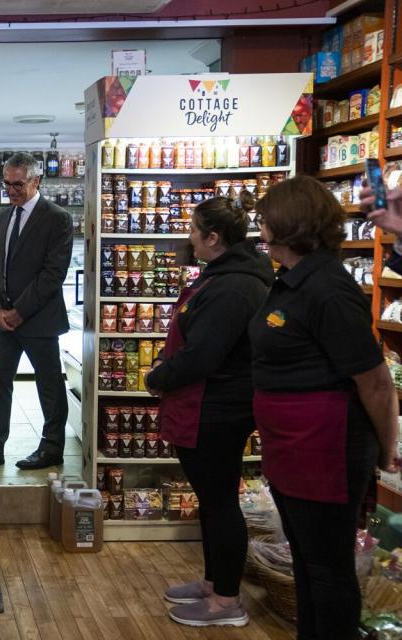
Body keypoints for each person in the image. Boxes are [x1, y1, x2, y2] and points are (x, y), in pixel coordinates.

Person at [250, 175, 400, 639]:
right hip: (295, 448)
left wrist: (386, 447)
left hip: (325, 450)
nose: (261, 230)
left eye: (267, 221)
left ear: (291, 225)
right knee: (309, 564)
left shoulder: (329, 290)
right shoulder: (294, 279)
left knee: (328, 570)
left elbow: (375, 382)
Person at [143, 193, 273, 628]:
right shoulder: (224, 275)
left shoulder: (235, 286)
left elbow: (205, 355)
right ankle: (214, 582)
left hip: (217, 408)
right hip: (207, 404)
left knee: (220, 503)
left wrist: (157, 376)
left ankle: (227, 603)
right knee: (212, 501)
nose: (189, 238)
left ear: (213, 237)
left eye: (195, 230)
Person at [0, 152, 73, 472]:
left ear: (36, 180)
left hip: (39, 321)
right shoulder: (3, 216)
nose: (12, 190)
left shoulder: (57, 217)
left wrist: (20, 312)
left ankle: (52, 448)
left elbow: (52, 275)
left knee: (49, 387)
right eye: (7, 184)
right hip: (2, 322)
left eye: (18, 184)